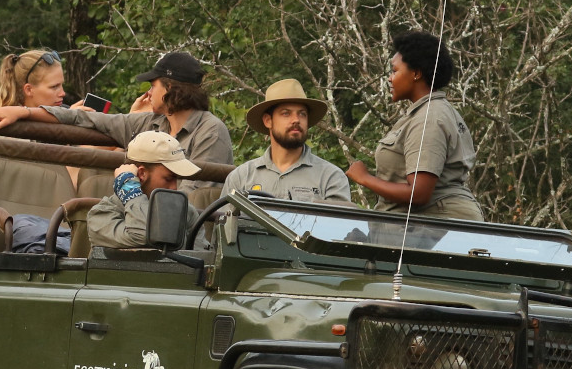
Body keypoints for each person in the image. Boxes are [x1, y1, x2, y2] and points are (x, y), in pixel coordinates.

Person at [0, 50, 232, 194]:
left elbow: (190, 201)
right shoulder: (152, 123)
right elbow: (86, 117)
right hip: (143, 221)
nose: (149, 92)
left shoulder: (211, 132)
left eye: (153, 85)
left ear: (171, 89)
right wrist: (25, 113)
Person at [345, 31, 483, 221]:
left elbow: (418, 194)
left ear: (416, 73)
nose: (389, 78)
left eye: (394, 71)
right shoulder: (429, 112)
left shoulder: (429, 118)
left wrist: (364, 178)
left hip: (435, 231)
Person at [222, 79, 351, 203]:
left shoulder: (331, 177)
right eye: (286, 113)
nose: (296, 120)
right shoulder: (241, 177)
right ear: (268, 120)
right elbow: (223, 224)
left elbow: (340, 224)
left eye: (302, 114)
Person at [87, 132, 206, 248]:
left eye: (176, 179)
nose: (174, 187)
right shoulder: (100, 216)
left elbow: (201, 257)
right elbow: (142, 235)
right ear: (141, 174)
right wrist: (130, 190)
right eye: (168, 178)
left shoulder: (184, 211)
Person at [0, 49, 69, 109]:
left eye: (61, 85)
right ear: (29, 90)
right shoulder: (15, 125)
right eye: (54, 87)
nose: (62, 93)